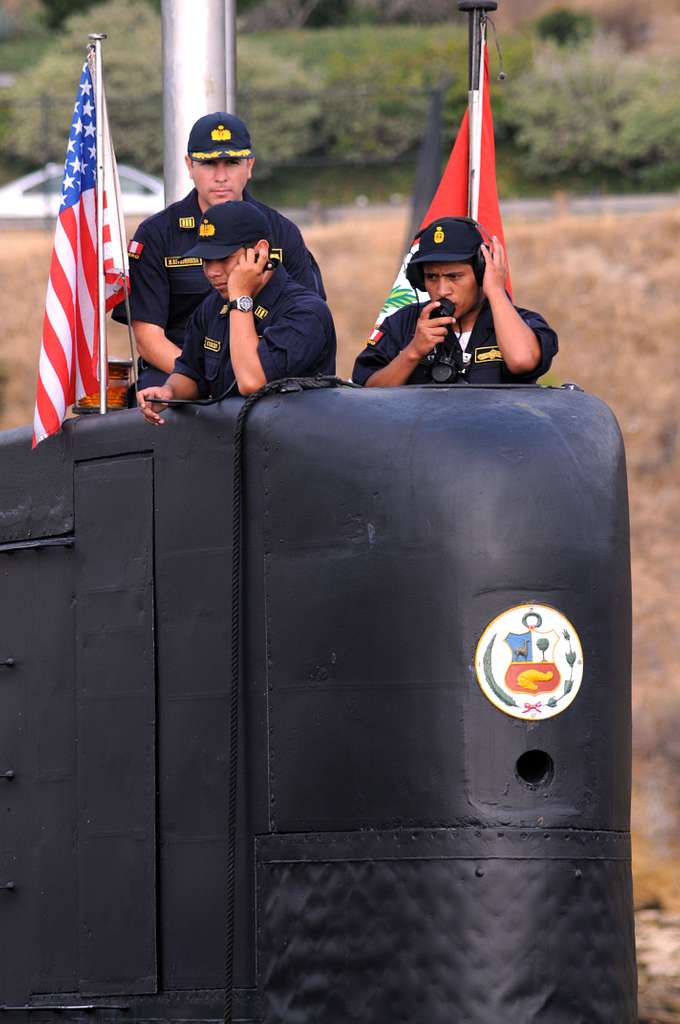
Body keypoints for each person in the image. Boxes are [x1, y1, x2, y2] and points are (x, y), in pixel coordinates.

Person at [113, 111, 325, 389]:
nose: (221, 176)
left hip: (269, 370)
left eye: (232, 162)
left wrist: (243, 374)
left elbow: (307, 322)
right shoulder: (156, 235)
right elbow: (148, 338)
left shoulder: (282, 233)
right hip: (179, 371)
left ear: (250, 166)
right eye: (209, 163)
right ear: (189, 166)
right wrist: (205, 381)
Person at [138, 201, 336, 425]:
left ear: (260, 251)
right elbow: (192, 371)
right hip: (232, 447)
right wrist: (169, 392)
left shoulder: (305, 311)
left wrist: (240, 298)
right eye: (205, 261)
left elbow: (252, 382)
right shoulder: (212, 306)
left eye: (223, 258)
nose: (212, 272)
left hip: (294, 448)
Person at [352, 217, 557, 387]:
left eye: (454, 277)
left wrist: (495, 291)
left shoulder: (522, 322)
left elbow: (522, 361)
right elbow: (369, 394)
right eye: (432, 277)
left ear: (481, 273)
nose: (442, 290)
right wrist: (412, 352)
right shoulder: (401, 324)